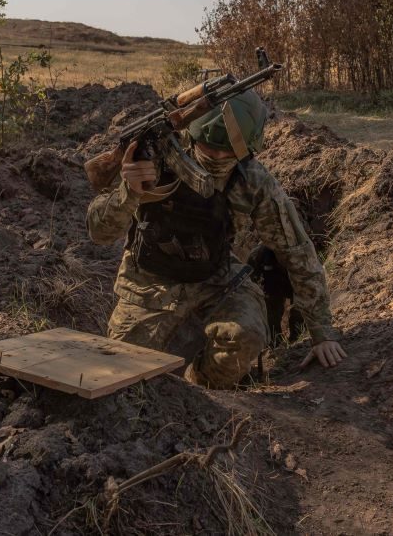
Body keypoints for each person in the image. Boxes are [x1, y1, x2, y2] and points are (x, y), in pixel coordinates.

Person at [86, 89, 346, 389]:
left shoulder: (252, 181)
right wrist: (128, 192)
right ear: (194, 136)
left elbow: (296, 251)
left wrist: (322, 333)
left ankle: (199, 388)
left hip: (216, 278)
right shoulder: (154, 157)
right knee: (119, 377)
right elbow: (99, 232)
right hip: (149, 284)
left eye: (228, 151)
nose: (218, 157)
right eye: (210, 148)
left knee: (245, 336)